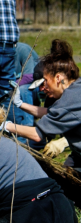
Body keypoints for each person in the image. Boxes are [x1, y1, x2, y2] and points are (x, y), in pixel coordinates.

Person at [5, 40, 81, 169]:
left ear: (58, 78)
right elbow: (50, 113)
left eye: (45, 81)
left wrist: (5, 125)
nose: (43, 88)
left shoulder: (70, 98)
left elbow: (37, 134)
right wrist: (21, 104)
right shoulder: (76, 87)